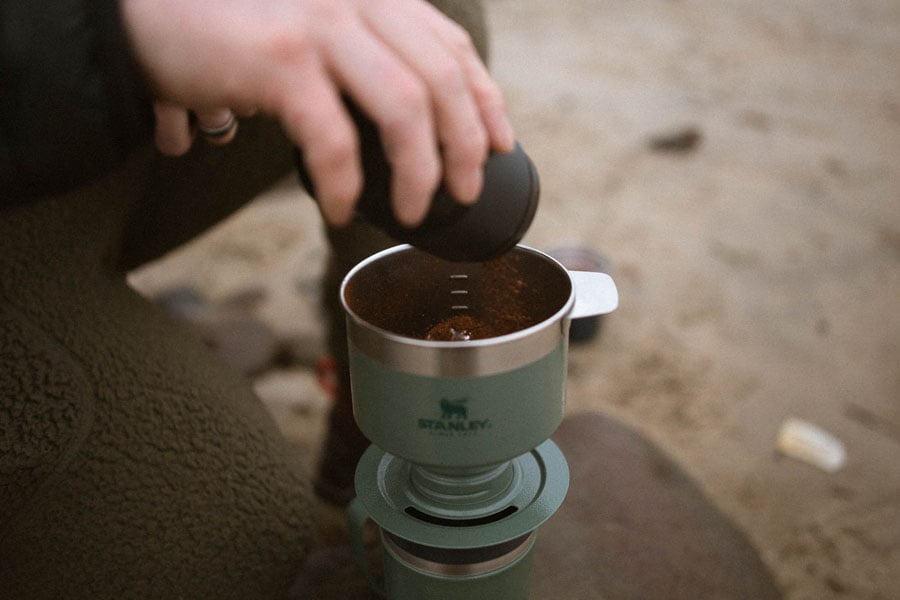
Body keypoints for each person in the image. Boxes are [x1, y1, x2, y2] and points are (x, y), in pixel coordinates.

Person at [0, 0, 510, 597]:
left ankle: (370, 465)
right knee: (229, 527)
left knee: (412, 35)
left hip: (78, 91)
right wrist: (113, 28)